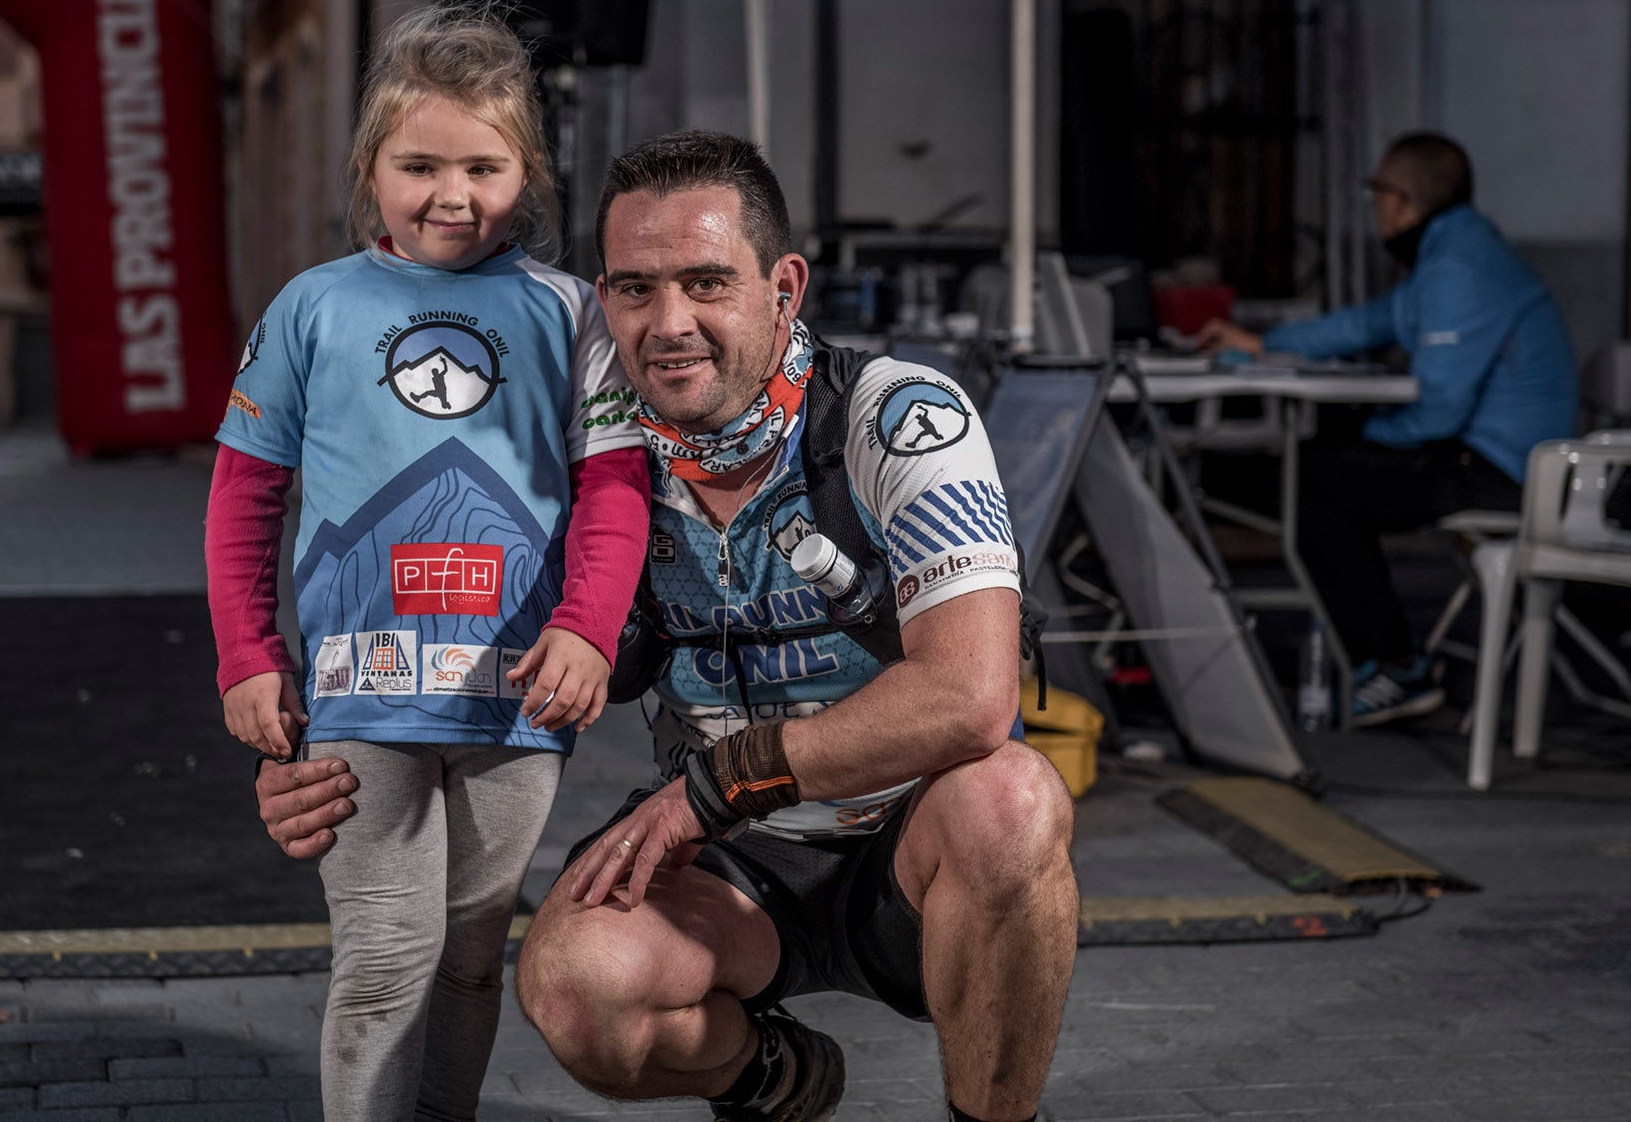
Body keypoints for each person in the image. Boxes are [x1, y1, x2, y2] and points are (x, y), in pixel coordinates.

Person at [260, 130, 1078, 1122]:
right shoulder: (592, 467)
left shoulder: (893, 415)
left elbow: (969, 696)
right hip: (728, 866)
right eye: (634, 288)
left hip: (909, 844)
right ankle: (767, 1077)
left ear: (783, 286)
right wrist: (317, 748)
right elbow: (433, 634)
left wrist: (714, 786)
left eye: (704, 283)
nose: (668, 323)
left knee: (1012, 799)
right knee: (571, 984)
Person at [206, 3, 651, 1122]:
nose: (451, 195)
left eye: (483, 167)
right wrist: (247, 656)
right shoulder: (311, 309)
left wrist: (589, 628)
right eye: (418, 165)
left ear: (527, 172)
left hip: (515, 698)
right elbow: (244, 494)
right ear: (370, 167)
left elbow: (611, 486)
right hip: (359, 693)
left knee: (466, 959)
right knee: (383, 957)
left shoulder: (571, 313)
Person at [1198, 131, 1576, 724]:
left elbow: (1439, 410)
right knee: (1327, 465)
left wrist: (1367, 437)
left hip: (1505, 475)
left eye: (1377, 195)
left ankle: (1396, 666)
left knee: (1317, 481)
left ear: (1400, 203)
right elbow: (1366, 324)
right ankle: (1388, 656)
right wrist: (1262, 343)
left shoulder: (1456, 267)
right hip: (1508, 463)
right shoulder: (1457, 253)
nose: (1376, 209)